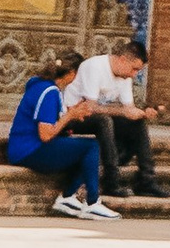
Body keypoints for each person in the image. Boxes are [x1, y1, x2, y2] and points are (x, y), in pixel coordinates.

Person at [4, 51, 119, 222]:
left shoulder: (42, 85)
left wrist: (72, 115)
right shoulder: (49, 91)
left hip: (25, 148)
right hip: (28, 150)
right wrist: (70, 116)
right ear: (71, 73)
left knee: (83, 149)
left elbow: (53, 123)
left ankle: (67, 197)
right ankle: (92, 202)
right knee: (92, 146)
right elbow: (45, 134)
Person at [70, 38, 164, 196]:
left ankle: (146, 179)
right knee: (104, 121)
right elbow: (90, 108)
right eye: (134, 69)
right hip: (73, 116)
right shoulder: (95, 67)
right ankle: (111, 181)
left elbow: (128, 108)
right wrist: (123, 112)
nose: (134, 74)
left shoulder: (125, 77)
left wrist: (143, 113)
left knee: (137, 123)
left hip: (97, 117)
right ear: (122, 60)